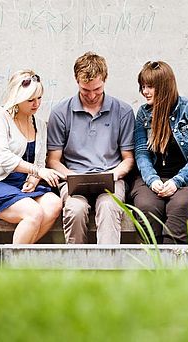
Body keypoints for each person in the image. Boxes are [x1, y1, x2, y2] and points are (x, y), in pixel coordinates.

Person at [47, 52, 135, 244]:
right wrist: (70, 176)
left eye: (97, 89)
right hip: (74, 178)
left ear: (105, 79)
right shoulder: (61, 112)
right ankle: (78, 269)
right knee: (75, 210)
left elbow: (128, 158)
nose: (92, 95)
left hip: (111, 178)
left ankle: (107, 269)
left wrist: (114, 174)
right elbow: (53, 160)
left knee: (109, 207)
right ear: (76, 81)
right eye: (85, 90)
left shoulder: (123, 111)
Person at [0, 69, 63, 244]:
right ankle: (16, 266)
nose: (36, 104)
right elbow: (4, 158)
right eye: (30, 100)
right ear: (17, 97)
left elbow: (39, 158)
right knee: (33, 213)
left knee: (54, 204)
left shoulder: (39, 124)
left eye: (39, 98)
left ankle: (18, 257)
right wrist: (39, 171)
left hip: (20, 184)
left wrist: (34, 179)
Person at [132, 61, 188, 244]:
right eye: (143, 86)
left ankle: (173, 269)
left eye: (150, 86)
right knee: (147, 207)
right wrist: (152, 179)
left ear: (164, 86)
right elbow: (141, 153)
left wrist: (177, 181)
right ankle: (151, 266)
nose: (145, 91)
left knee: (180, 206)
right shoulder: (144, 114)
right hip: (153, 179)